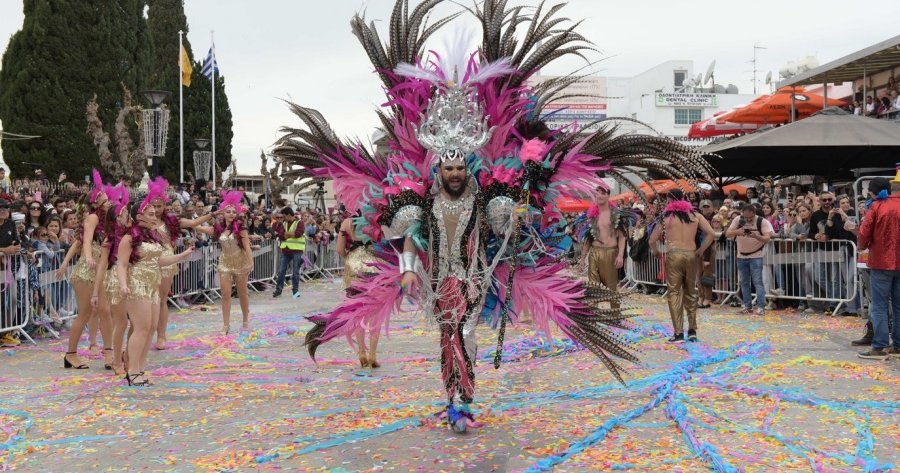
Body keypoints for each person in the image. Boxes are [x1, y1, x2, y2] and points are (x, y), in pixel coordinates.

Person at [117, 198, 194, 386]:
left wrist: (182, 255)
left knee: (151, 328)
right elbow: (121, 264)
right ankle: (132, 371)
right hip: (137, 285)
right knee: (141, 328)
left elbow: (159, 261)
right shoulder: (129, 238)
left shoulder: (153, 237)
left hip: (153, 286)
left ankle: (140, 369)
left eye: (154, 214)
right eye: (150, 214)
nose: (154, 217)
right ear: (139, 216)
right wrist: (123, 284)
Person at [145, 177, 219, 350]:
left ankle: (161, 336)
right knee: (147, 301)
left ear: (164, 206)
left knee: (161, 300)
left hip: (167, 264)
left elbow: (193, 223)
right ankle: (145, 333)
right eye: (153, 206)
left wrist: (211, 214)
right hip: (146, 265)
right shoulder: (143, 222)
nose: (156, 209)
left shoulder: (171, 222)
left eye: (159, 206)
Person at [60, 171, 114, 370]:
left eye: (105, 195)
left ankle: (109, 353)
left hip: (102, 271)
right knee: (85, 313)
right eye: (100, 196)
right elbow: (86, 240)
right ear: (94, 202)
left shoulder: (110, 220)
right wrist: (89, 256)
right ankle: (71, 354)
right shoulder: (92, 217)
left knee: (106, 311)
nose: (105, 198)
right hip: (86, 270)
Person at [649, 190, 715, 342]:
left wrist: (658, 253)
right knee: (691, 292)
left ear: (669, 200)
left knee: (674, 294)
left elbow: (652, 240)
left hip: (674, 255)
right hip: (691, 254)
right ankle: (692, 331)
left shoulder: (666, 217)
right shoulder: (695, 215)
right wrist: (700, 251)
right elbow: (711, 234)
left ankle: (678, 333)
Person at [855, 170, 900, 360]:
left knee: (880, 305)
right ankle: (897, 345)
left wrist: (861, 246)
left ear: (873, 192)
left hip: (882, 262)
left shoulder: (876, 206)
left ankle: (879, 346)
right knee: (898, 305)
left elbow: (864, 233)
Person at [196, 191, 254, 334]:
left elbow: (247, 247)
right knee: (226, 294)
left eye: (234, 212)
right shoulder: (218, 228)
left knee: (242, 293)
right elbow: (199, 226)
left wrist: (250, 263)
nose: (231, 214)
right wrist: (208, 216)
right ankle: (226, 325)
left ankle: (245, 320)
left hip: (240, 262)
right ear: (223, 213)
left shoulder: (241, 228)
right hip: (225, 263)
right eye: (228, 211)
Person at [337, 215, 381, 367]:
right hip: (374, 262)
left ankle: (361, 351)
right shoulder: (376, 217)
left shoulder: (347, 222)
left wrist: (349, 258)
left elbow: (339, 249)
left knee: (357, 311)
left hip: (354, 264)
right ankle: (373, 354)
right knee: (376, 312)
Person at [579, 183, 627, 308]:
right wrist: (583, 258)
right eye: (597, 192)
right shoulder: (591, 215)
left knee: (611, 287)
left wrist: (620, 255)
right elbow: (588, 239)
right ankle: (593, 317)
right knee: (593, 287)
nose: (599, 195)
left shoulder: (616, 214)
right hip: (594, 253)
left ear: (608, 196)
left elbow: (622, 237)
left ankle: (615, 315)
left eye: (602, 193)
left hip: (610, 253)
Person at [726, 203, 775, 315]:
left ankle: (761, 307)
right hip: (741, 255)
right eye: (746, 217)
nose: (748, 220)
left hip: (756, 256)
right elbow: (727, 234)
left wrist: (756, 236)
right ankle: (747, 306)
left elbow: (767, 238)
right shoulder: (738, 219)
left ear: (754, 213)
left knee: (758, 282)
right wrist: (737, 232)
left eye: (750, 217)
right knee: (744, 282)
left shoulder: (762, 221)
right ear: (742, 214)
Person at [273, 207, 305, 298]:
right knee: (281, 271)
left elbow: (299, 233)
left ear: (289, 215)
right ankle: (278, 290)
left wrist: (287, 234)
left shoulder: (300, 223)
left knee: (295, 272)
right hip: (285, 250)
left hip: (297, 250)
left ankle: (295, 291)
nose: (282, 218)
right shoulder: (284, 223)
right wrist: (291, 234)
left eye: (284, 216)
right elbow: (281, 235)